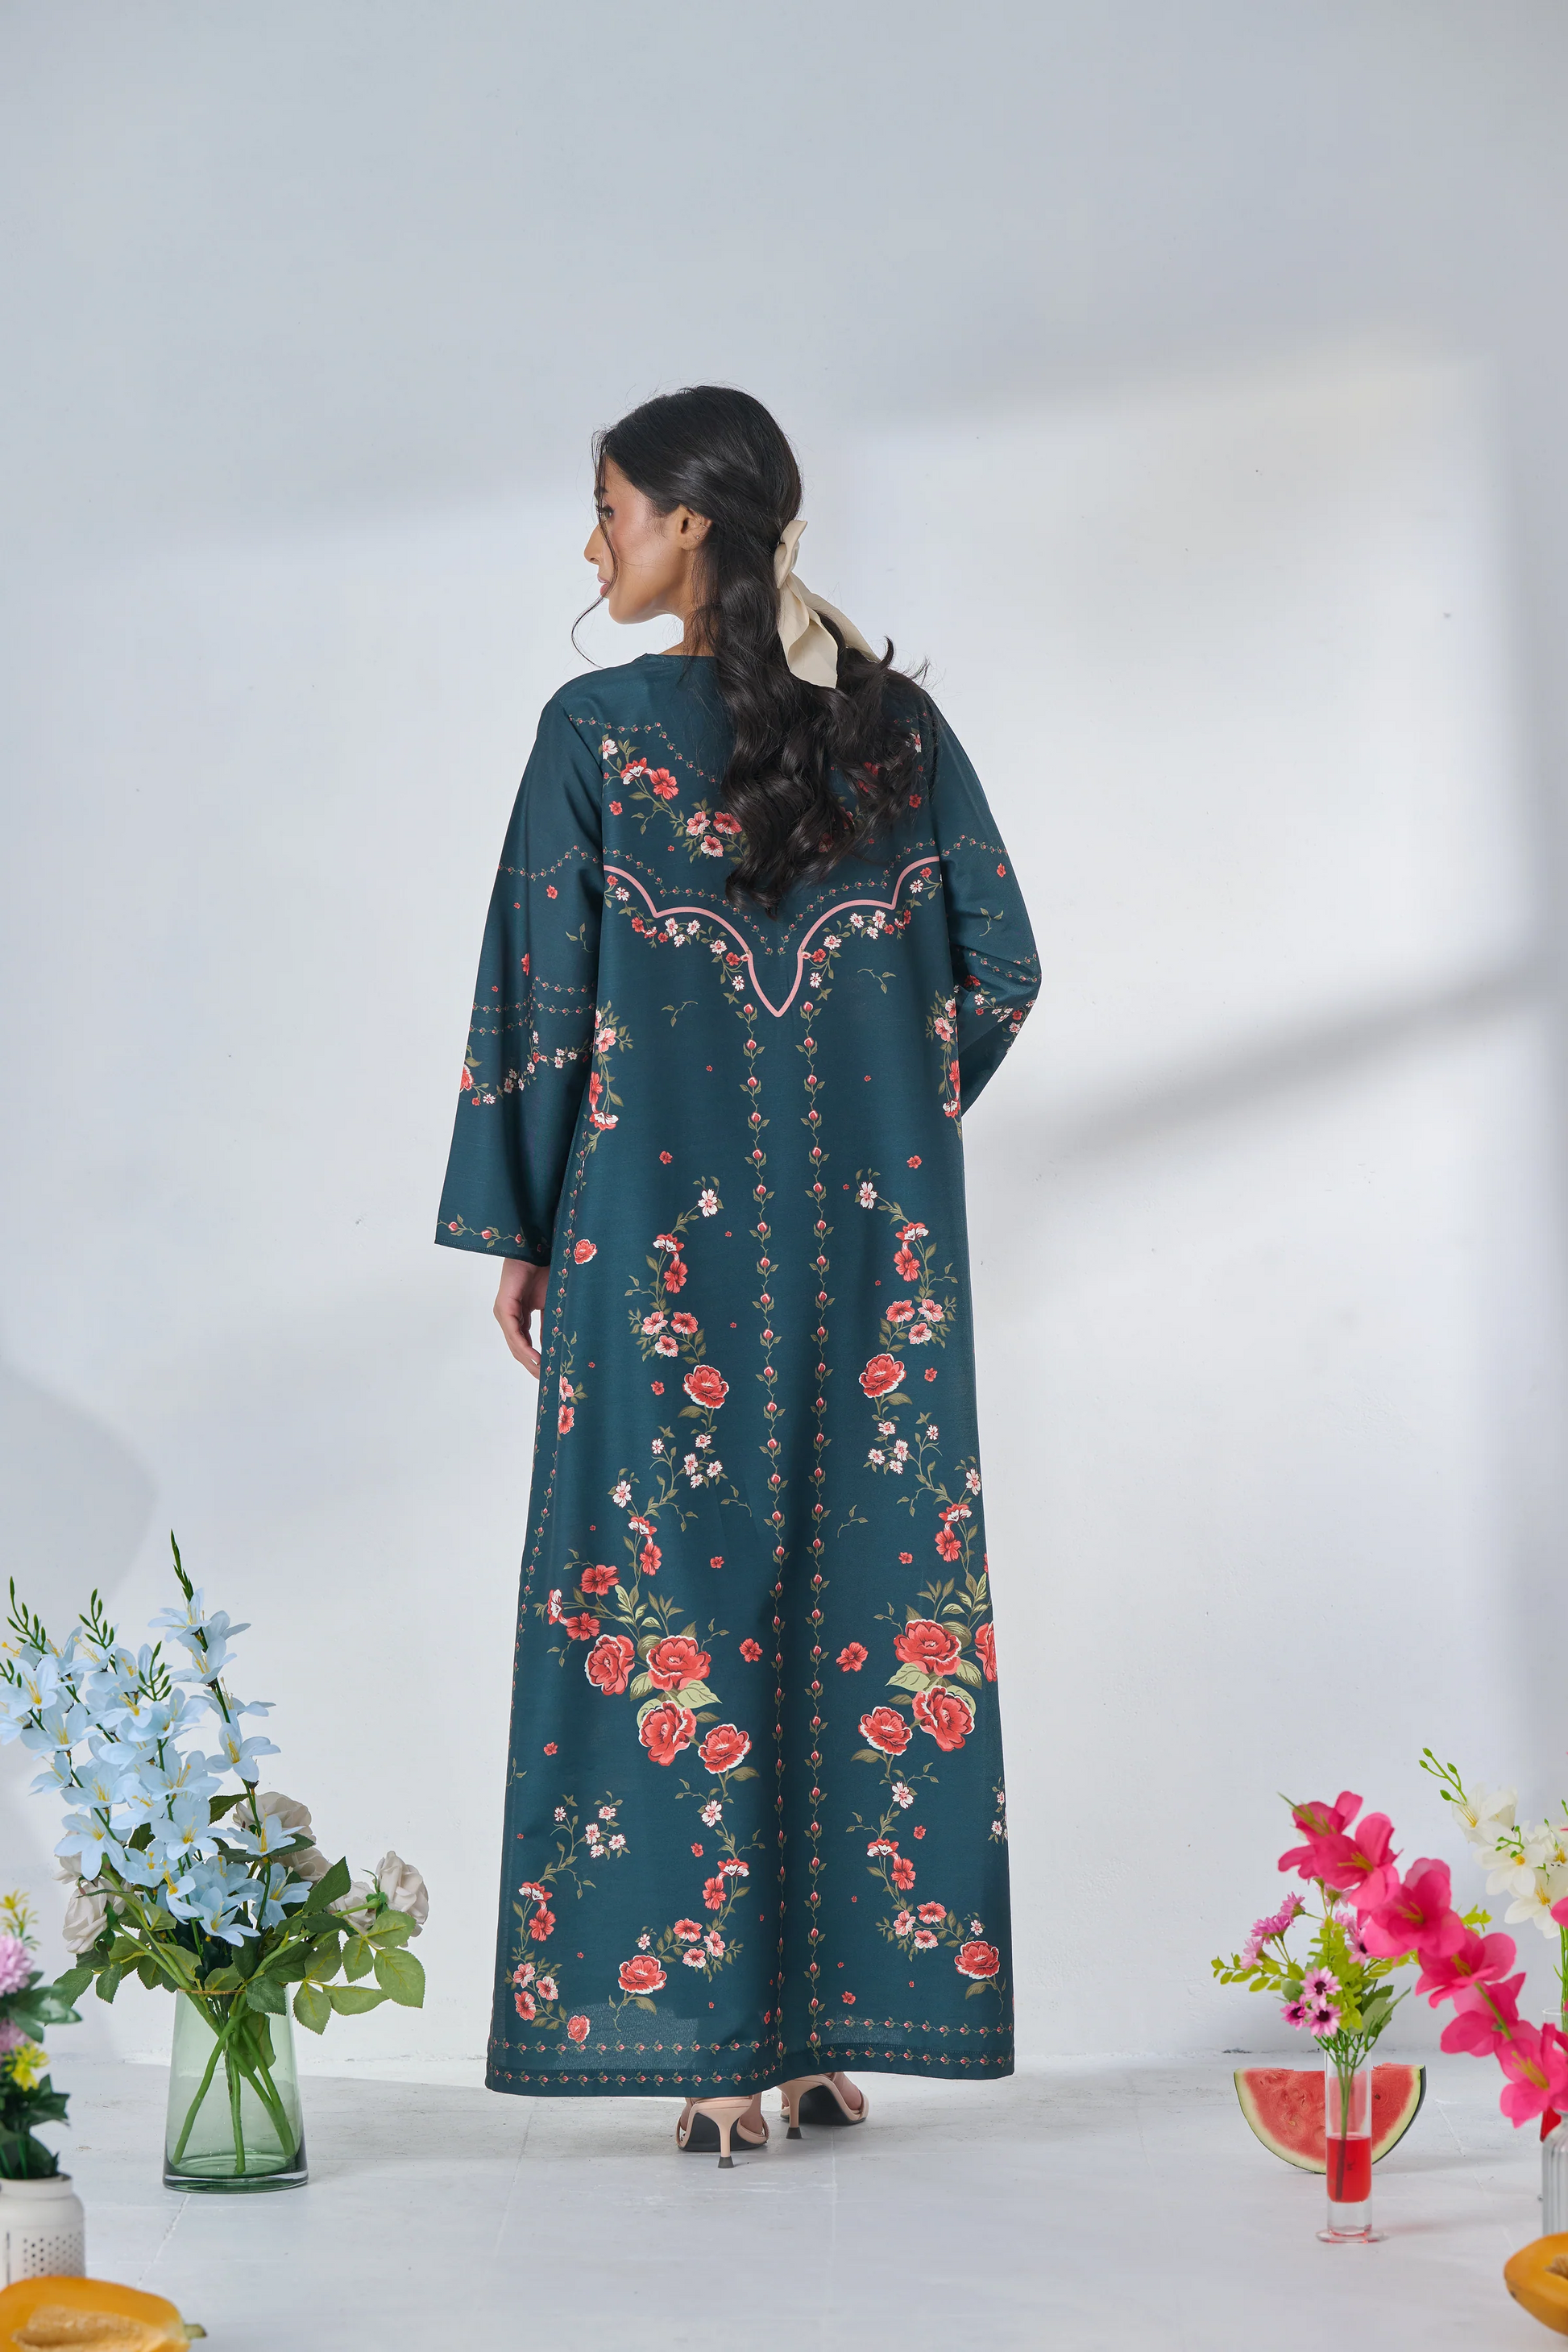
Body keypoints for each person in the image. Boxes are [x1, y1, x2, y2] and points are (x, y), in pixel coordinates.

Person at [435, 385, 1039, 2164]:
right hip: (873, 1259)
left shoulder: (595, 734)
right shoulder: (893, 730)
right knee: (865, 1593)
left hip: (653, 1249)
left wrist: (525, 1221)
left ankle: (711, 2052)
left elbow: (539, 999)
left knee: (674, 1599)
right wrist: (893, 1112)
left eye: (610, 507)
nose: (593, 544)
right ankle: (830, 2037)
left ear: (689, 521)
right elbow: (1000, 966)